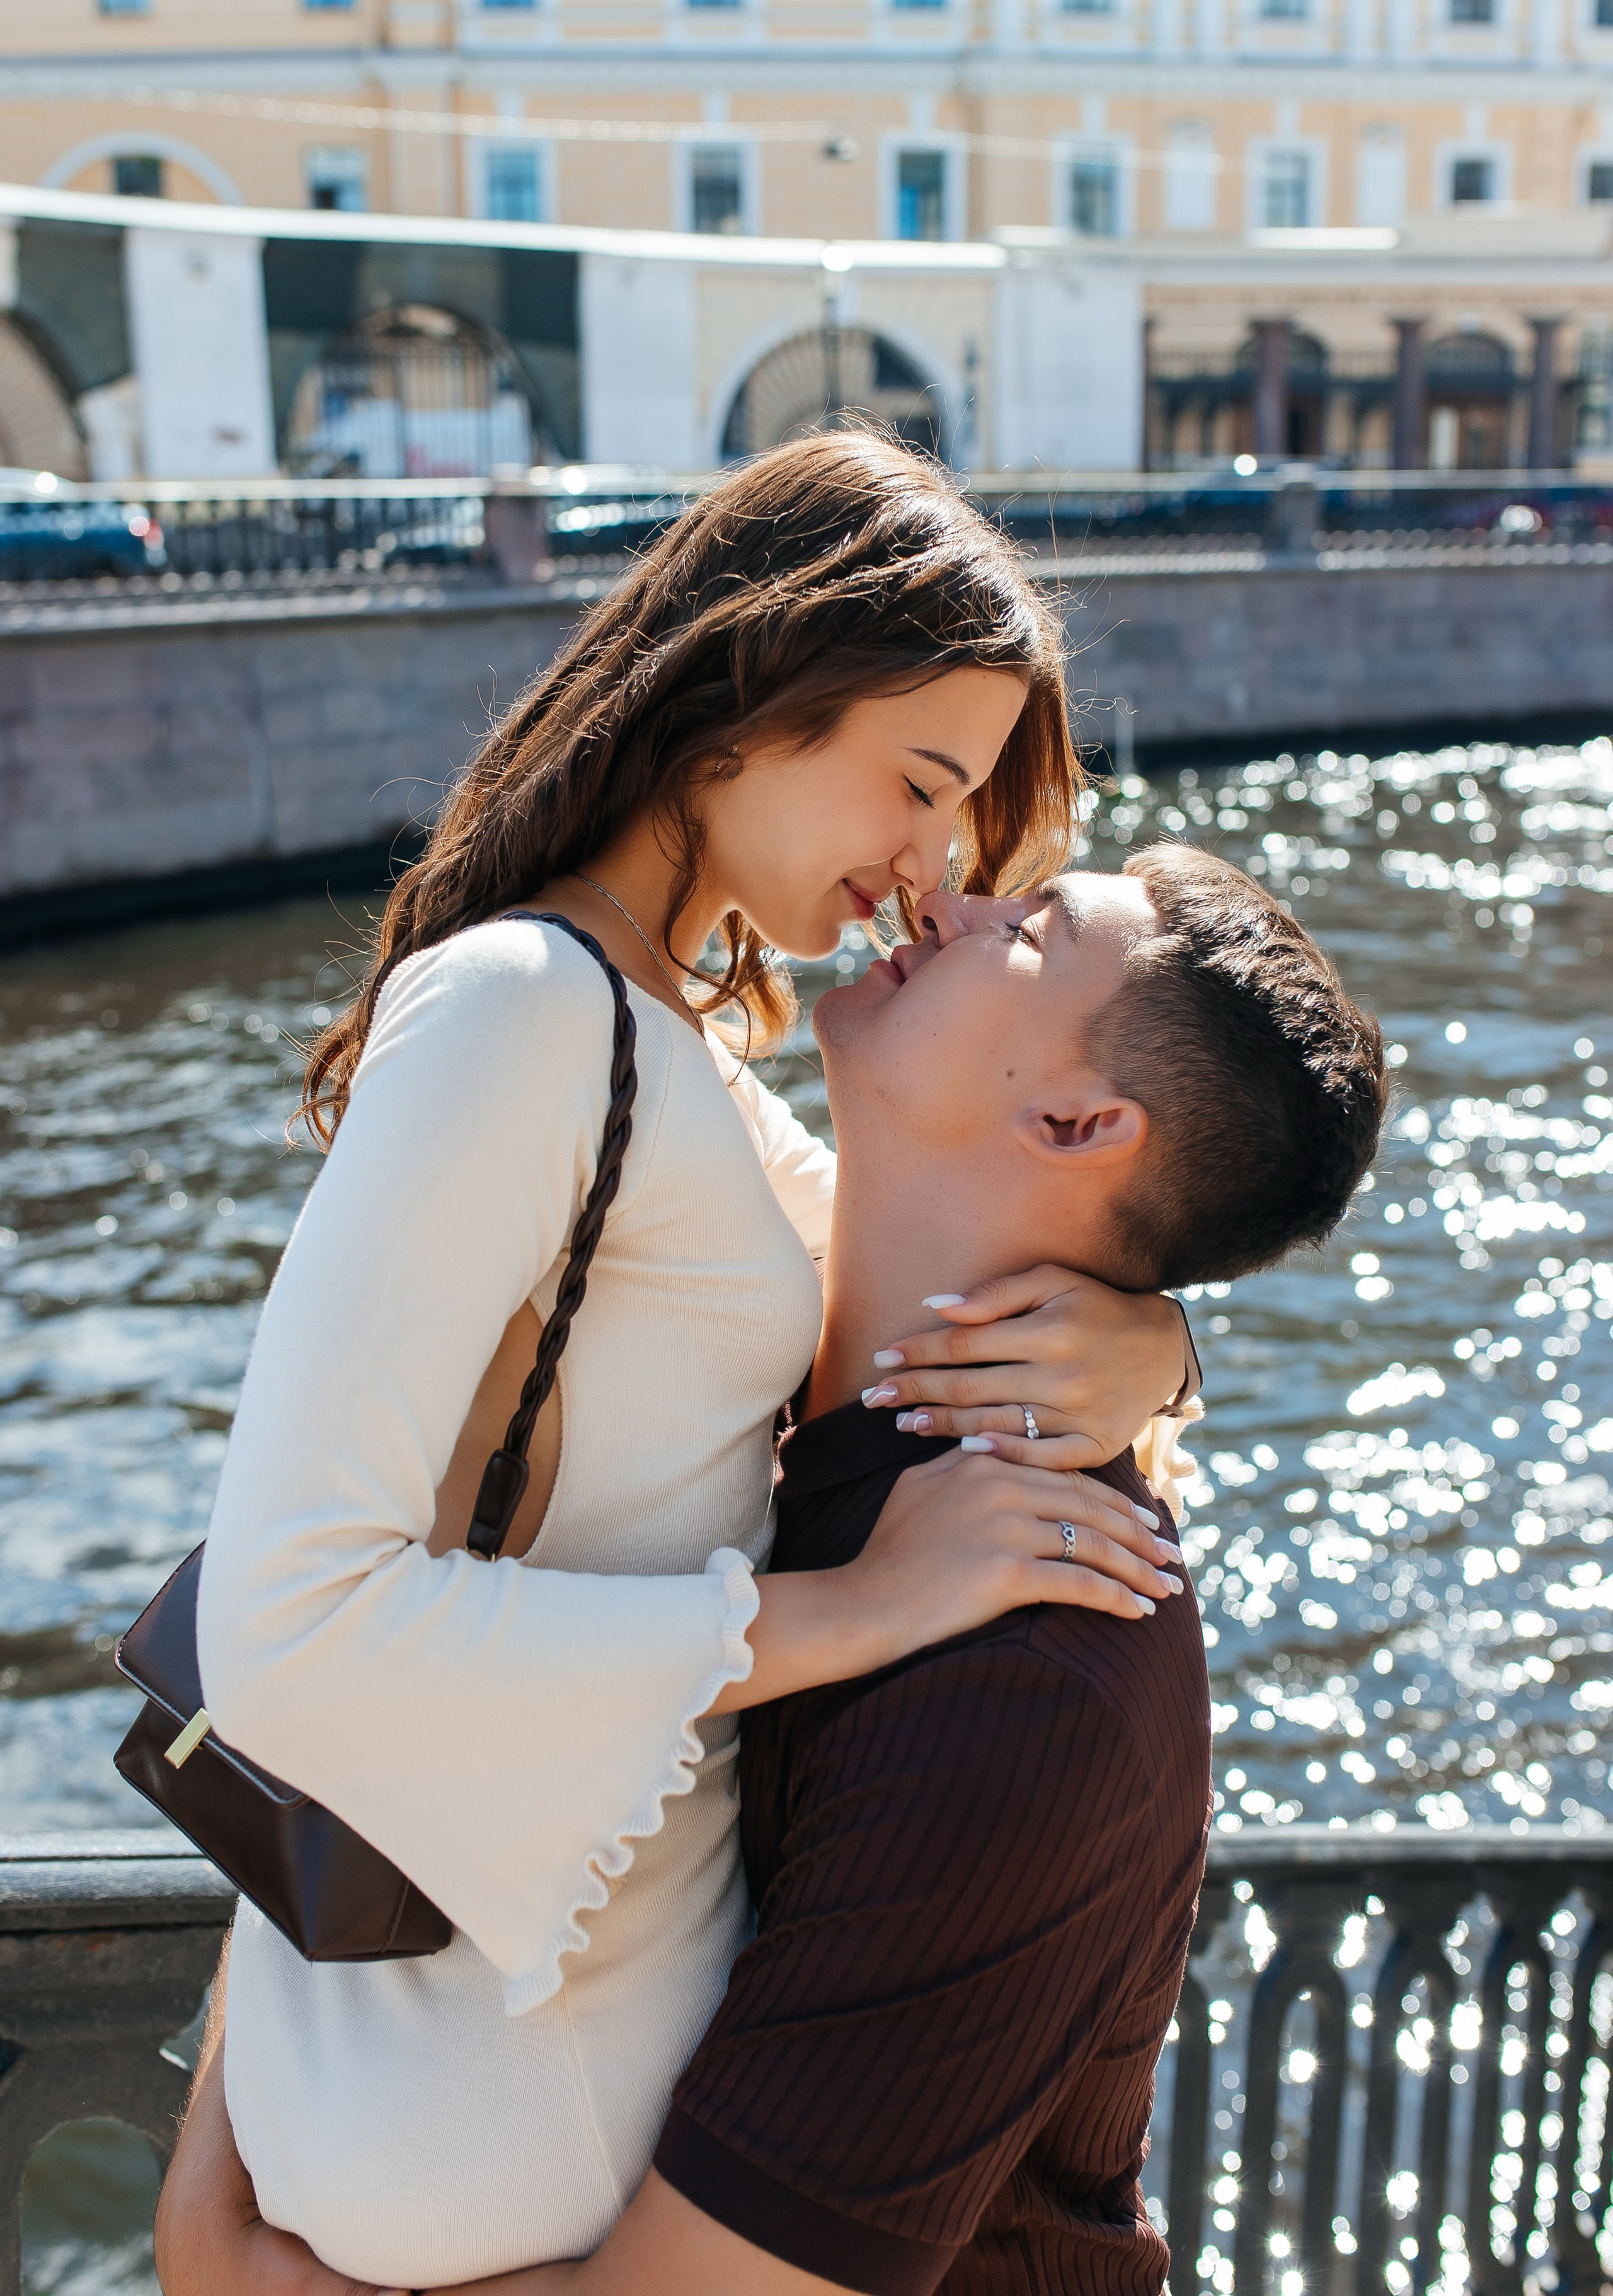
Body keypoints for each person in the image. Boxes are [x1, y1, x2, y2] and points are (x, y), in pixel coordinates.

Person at [165, 434, 1198, 2294]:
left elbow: (913, 1255)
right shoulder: (528, 1011)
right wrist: (857, 1611)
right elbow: (286, 1629)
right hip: (523, 2072)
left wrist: (1157, 1339)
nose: (930, 866)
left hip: (510, 2023)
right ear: (749, 689)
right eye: (920, 783)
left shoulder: (666, 1051)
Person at [159, 842, 1386, 2296]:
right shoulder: (769, 1414)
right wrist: (223, 2157)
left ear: (1074, 1122)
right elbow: (365, 1690)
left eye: (1031, 927)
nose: (948, 896)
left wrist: (240, 2261)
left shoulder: (1025, 1682)